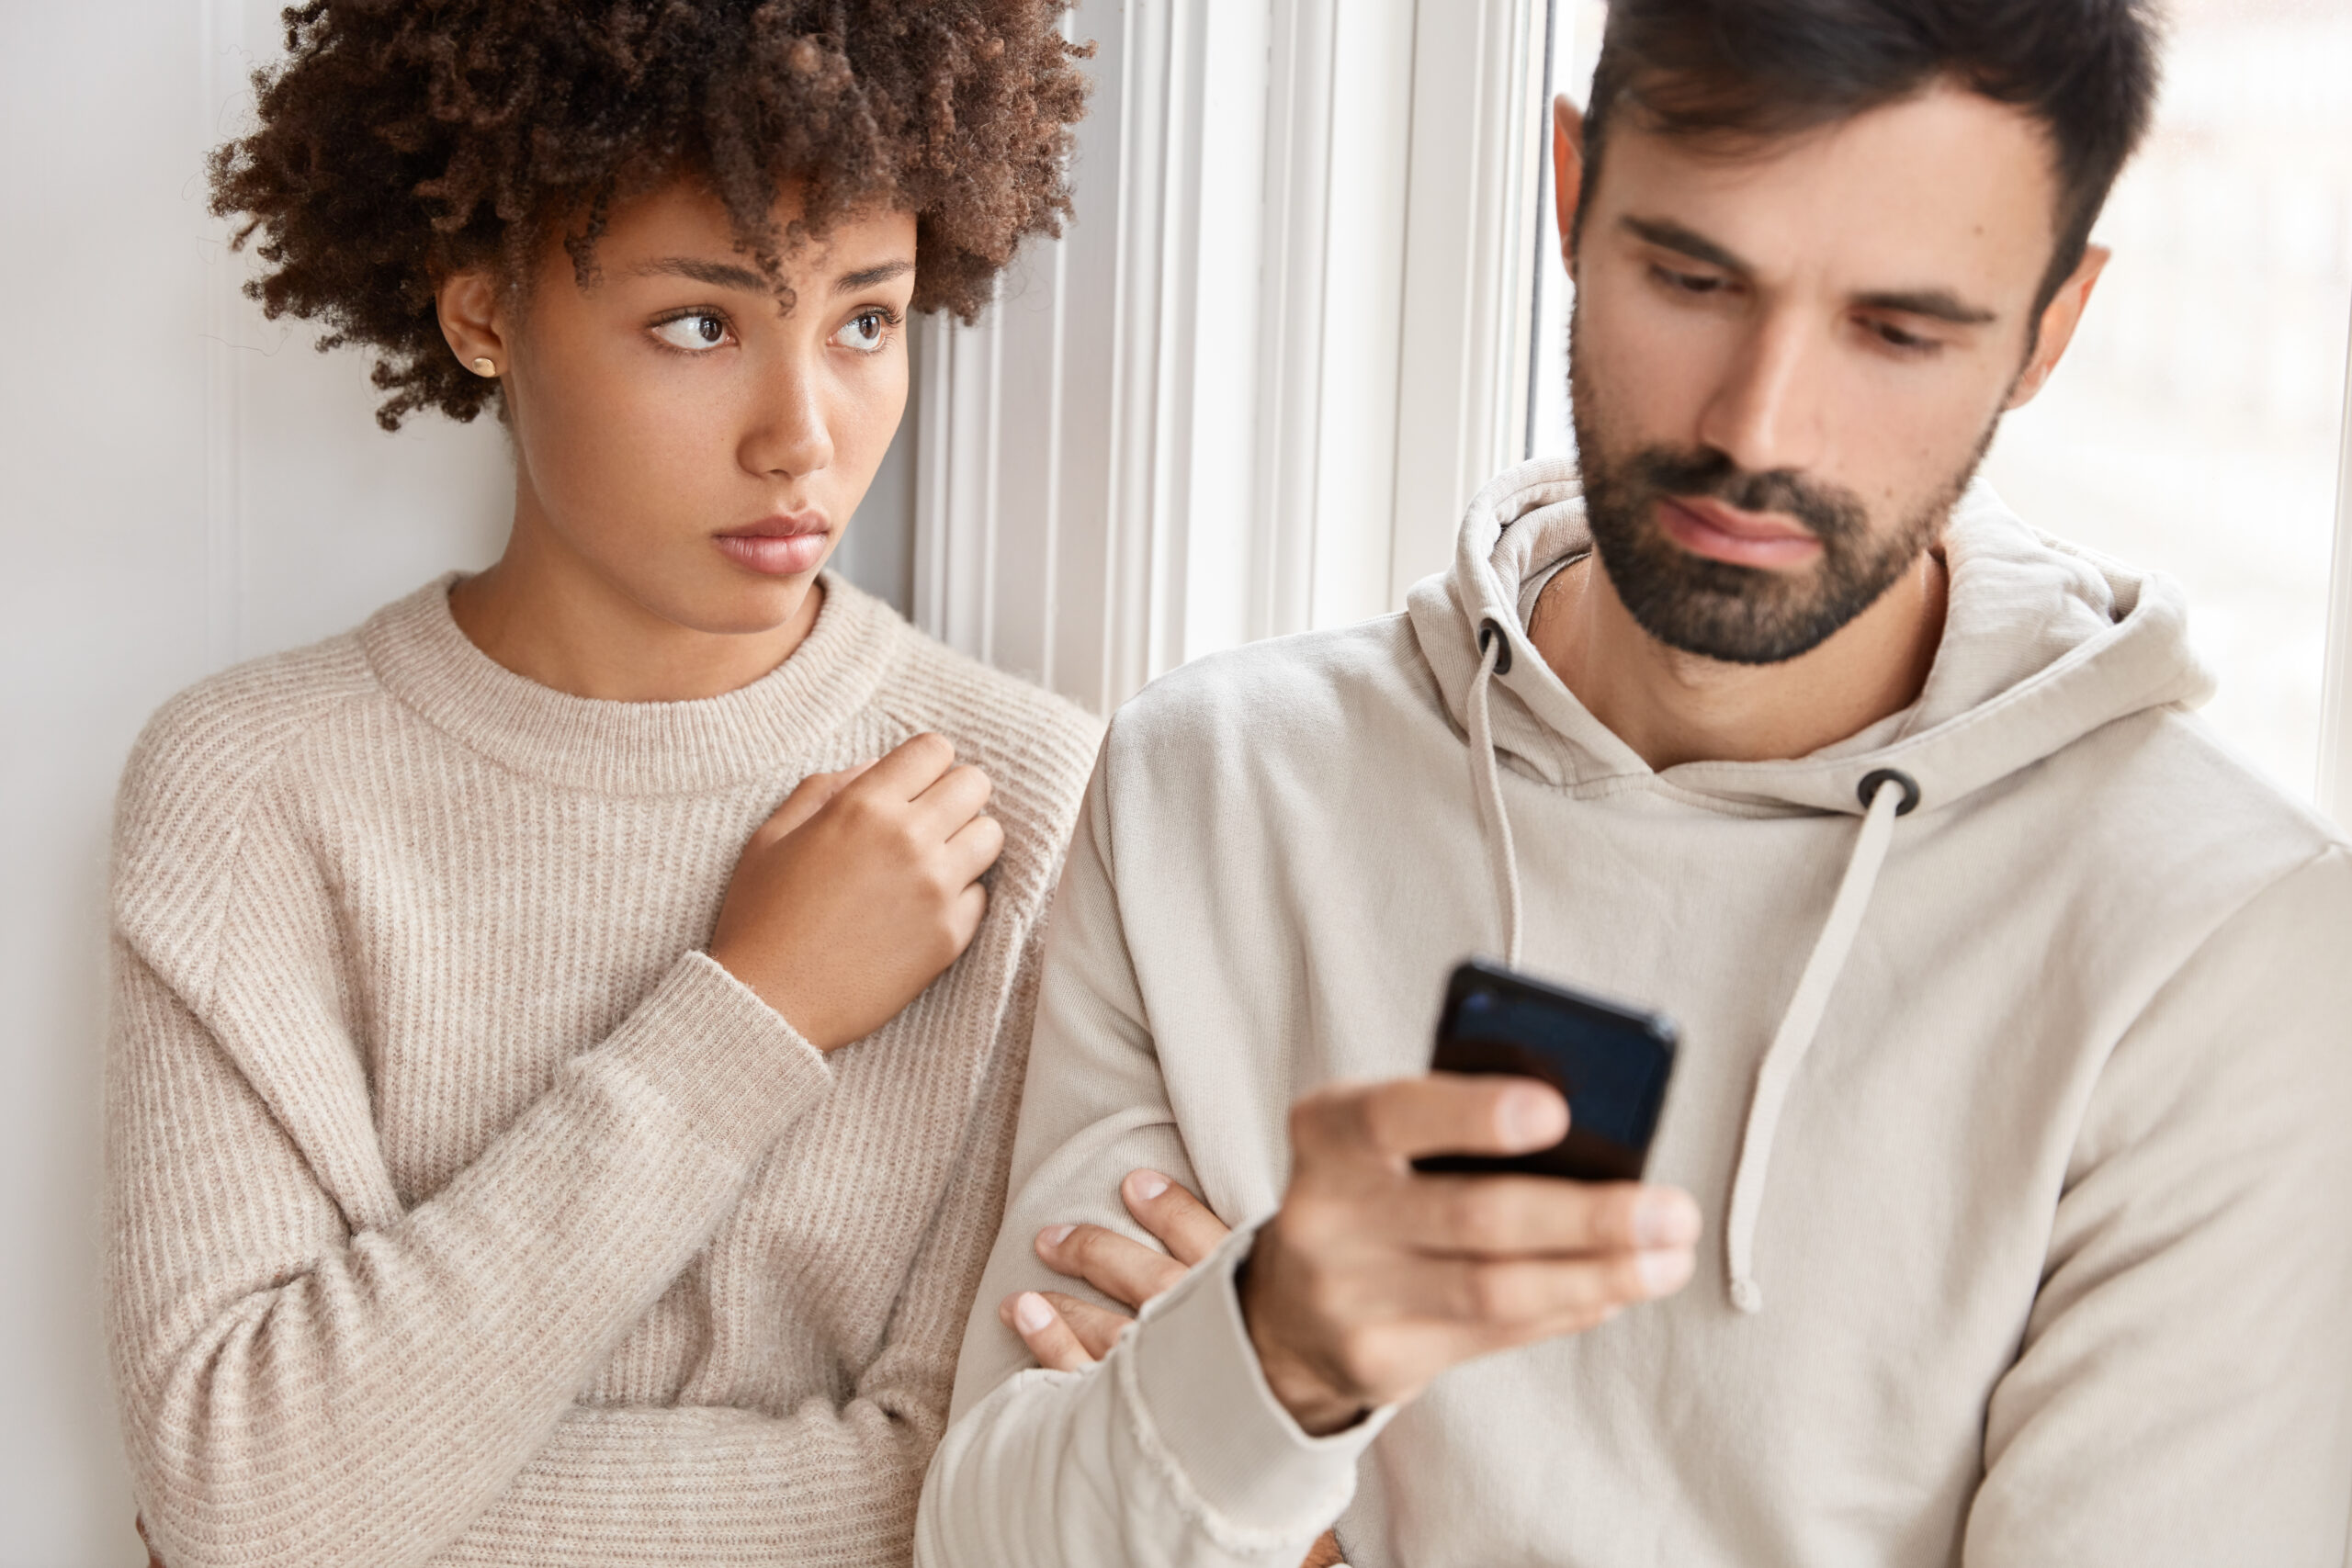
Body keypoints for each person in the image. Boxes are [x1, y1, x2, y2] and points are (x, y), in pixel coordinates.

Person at [917, 1, 2352, 1563]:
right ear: (1572, 192)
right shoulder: (1215, 784)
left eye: (1898, 330)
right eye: (1692, 277)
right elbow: (995, 1542)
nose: (1756, 427)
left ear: (2049, 330)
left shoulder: (2225, 942)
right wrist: (1283, 1356)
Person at [105, 6, 1096, 1566]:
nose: (804, 439)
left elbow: (978, 1501)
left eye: (865, 321)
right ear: (484, 309)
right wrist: (756, 1009)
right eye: (700, 325)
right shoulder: (252, 792)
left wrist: (362, 1506)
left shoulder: (1026, 803)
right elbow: (251, 1494)